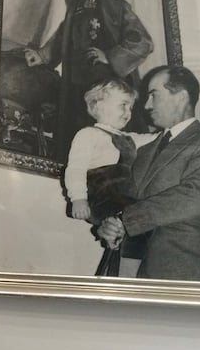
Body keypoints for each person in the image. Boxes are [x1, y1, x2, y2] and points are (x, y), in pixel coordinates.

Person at [96, 66, 200, 281]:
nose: (147, 105)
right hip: (127, 271)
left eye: (153, 95)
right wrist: (109, 223)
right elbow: (123, 199)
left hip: (179, 272)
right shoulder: (144, 149)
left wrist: (126, 219)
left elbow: (196, 197)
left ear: (181, 97)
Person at [24, 0, 154, 161]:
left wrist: (110, 57)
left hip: (103, 81)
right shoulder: (76, 3)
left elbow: (142, 40)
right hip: (75, 82)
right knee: (76, 135)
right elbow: (64, 34)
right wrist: (43, 56)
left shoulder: (116, 5)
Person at [63, 78, 156, 275]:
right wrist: (78, 198)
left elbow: (151, 140)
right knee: (129, 224)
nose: (128, 113)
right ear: (99, 105)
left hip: (124, 197)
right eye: (123, 105)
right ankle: (118, 252)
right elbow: (76, 168)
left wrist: (166, 134)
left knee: (140, 227)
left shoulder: (129, 138)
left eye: (130, 107)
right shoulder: (88, 134)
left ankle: (125, 265)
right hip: (102, 194)